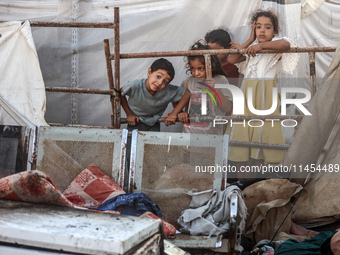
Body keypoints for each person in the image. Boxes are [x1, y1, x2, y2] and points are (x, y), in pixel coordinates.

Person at [226, 9, 299, 178]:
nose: (262, 30)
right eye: (258, 27)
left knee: (262, 138)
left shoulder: (274, 49)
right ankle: (242, 182)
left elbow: (286, 44)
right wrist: (251, 40)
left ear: (275, 32)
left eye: (267, 27)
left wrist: (261, 45)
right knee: (244, 138)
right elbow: (231, 60)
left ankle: (254, 181)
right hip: (246, 99)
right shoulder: (252, 51)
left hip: (265, 99)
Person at [177, 40, 233, 135]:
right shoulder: (188, 82)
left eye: (201, 68)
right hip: (189, 135)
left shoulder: (221, 80)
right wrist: (180, 112)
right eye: (193, 69)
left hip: (212, 137)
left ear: (211, 66)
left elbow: (228, 108)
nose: (196, 73)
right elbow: (176, 100)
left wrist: (216, 90)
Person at [120, 58, 190, 132]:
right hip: (134, 121)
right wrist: (129, 114)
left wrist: (174, 113)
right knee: (132, 142)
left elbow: (187, 94)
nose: (160, 83)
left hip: (154, 122)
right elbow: (120, 93)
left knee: (153, 142)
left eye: (165, 81)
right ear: (149, 72)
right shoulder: (135, 85)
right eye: (158, 76)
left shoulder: (167, 90)